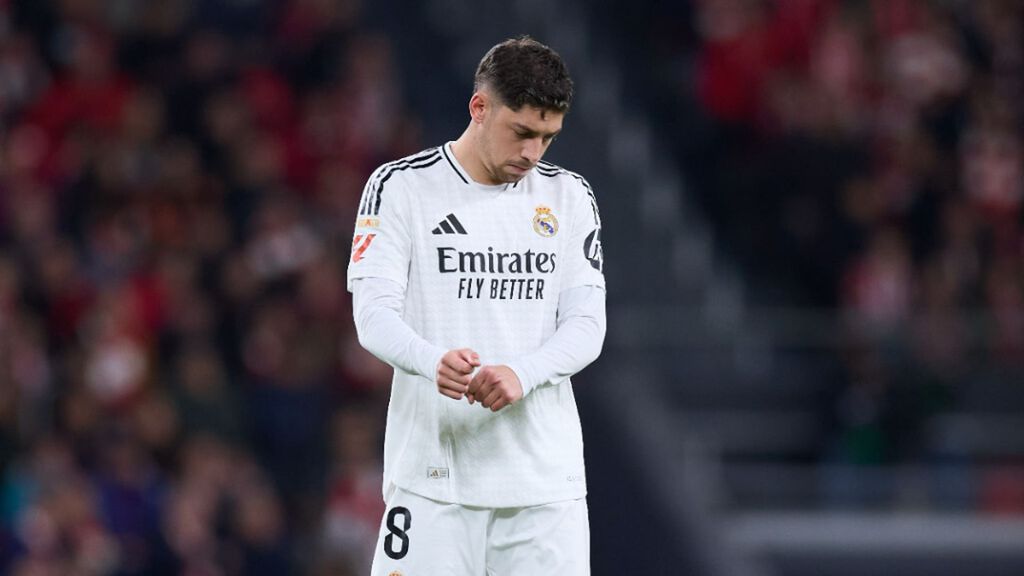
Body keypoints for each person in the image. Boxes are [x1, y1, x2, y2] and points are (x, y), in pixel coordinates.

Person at [348, 36, 605, 575]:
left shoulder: (569, 197)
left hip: (543, 491)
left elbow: (587, 324)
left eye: (547, 138)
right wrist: (430, 359)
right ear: (480, 108)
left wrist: (523, 372)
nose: (533, 154)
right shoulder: (399, 188)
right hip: (433, 481)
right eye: (523, 133)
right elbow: (372, 315)